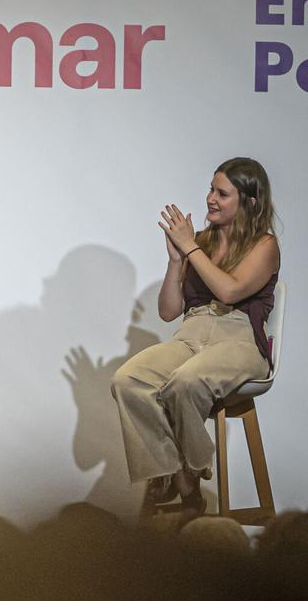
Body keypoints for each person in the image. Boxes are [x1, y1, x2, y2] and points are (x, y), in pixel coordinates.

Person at [112, 157, 279, 512]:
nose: (210, 199)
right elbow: (169, 311)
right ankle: (180, 480)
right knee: (128, 380)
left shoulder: (264, 246)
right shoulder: (199, 242)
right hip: (192, 333)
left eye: (222, 193)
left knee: (185, 382)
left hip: (239, 338)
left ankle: (189, 474)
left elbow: (230, 292)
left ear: (249, 201)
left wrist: (191, 249)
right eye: (210, 189)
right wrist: (176, 261)